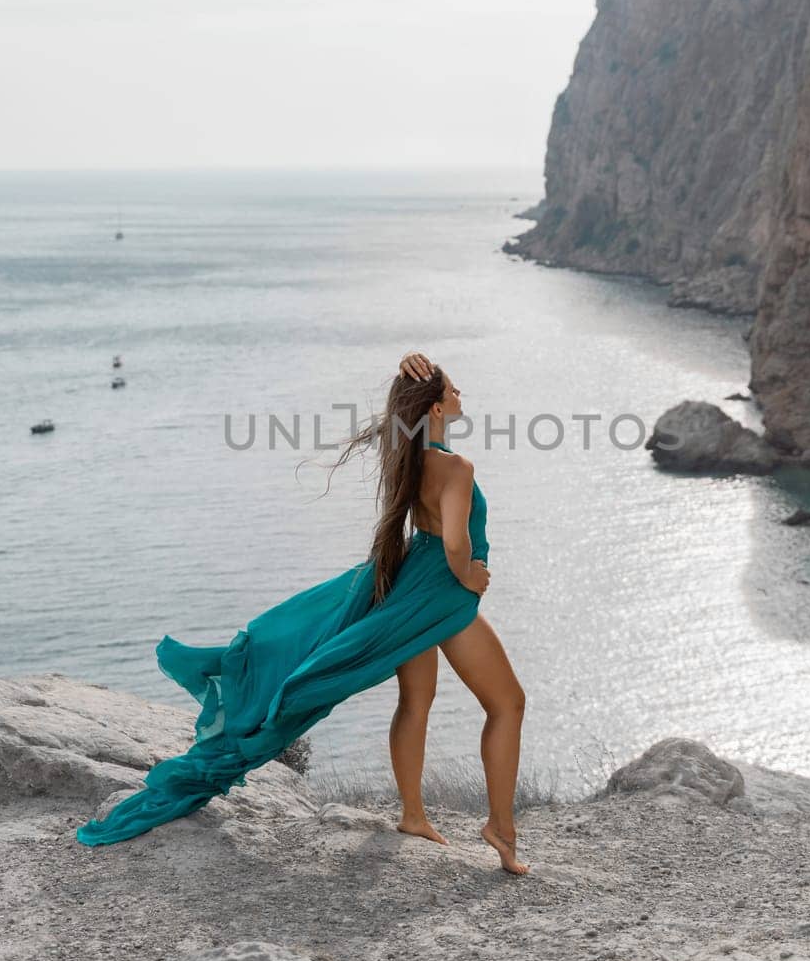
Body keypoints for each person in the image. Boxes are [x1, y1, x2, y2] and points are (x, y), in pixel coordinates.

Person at [74, 349, 529, 874]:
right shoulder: (456, 467)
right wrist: (471, 574)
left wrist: (408, 375)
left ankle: (412, 814)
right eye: (450, 390)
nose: (459, 395)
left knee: (416, 698)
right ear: (431, 409)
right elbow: (454, 544)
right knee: (507, 704)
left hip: (407, 582)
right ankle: (501, 828)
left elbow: (413, 455)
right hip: (440, 592)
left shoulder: (407, 454)